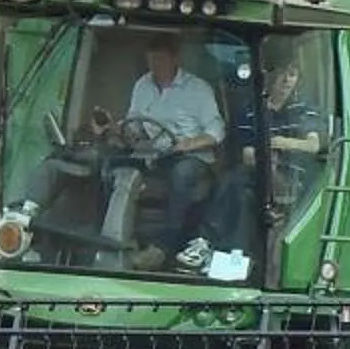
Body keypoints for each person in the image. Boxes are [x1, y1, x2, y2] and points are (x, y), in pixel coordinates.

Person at [181, 42, 325, 274]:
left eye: (293, 74)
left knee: (237, 180)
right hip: (260, 178)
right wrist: (261, 154)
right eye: (282, 74)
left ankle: (207, 242)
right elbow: (246, 153)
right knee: (242, 192)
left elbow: (313, 145)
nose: (287, 80)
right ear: (269, 75)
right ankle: (232, 262)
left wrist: (274, 144)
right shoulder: (251, 111)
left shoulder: (304, 108)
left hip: (294, 182)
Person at [85, 33, 219, 253]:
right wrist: (114, 128)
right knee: (110, 164)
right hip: (155, 154)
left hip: (192, 156)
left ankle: (162, 247)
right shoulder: (143, 85)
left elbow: (216, 132)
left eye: (160, 60)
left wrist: (188, 144)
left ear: (175, 59)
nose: (155, 67)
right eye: (152, 61)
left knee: (182, 174)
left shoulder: (198, 89)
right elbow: (135, 126)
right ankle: (110, 236)